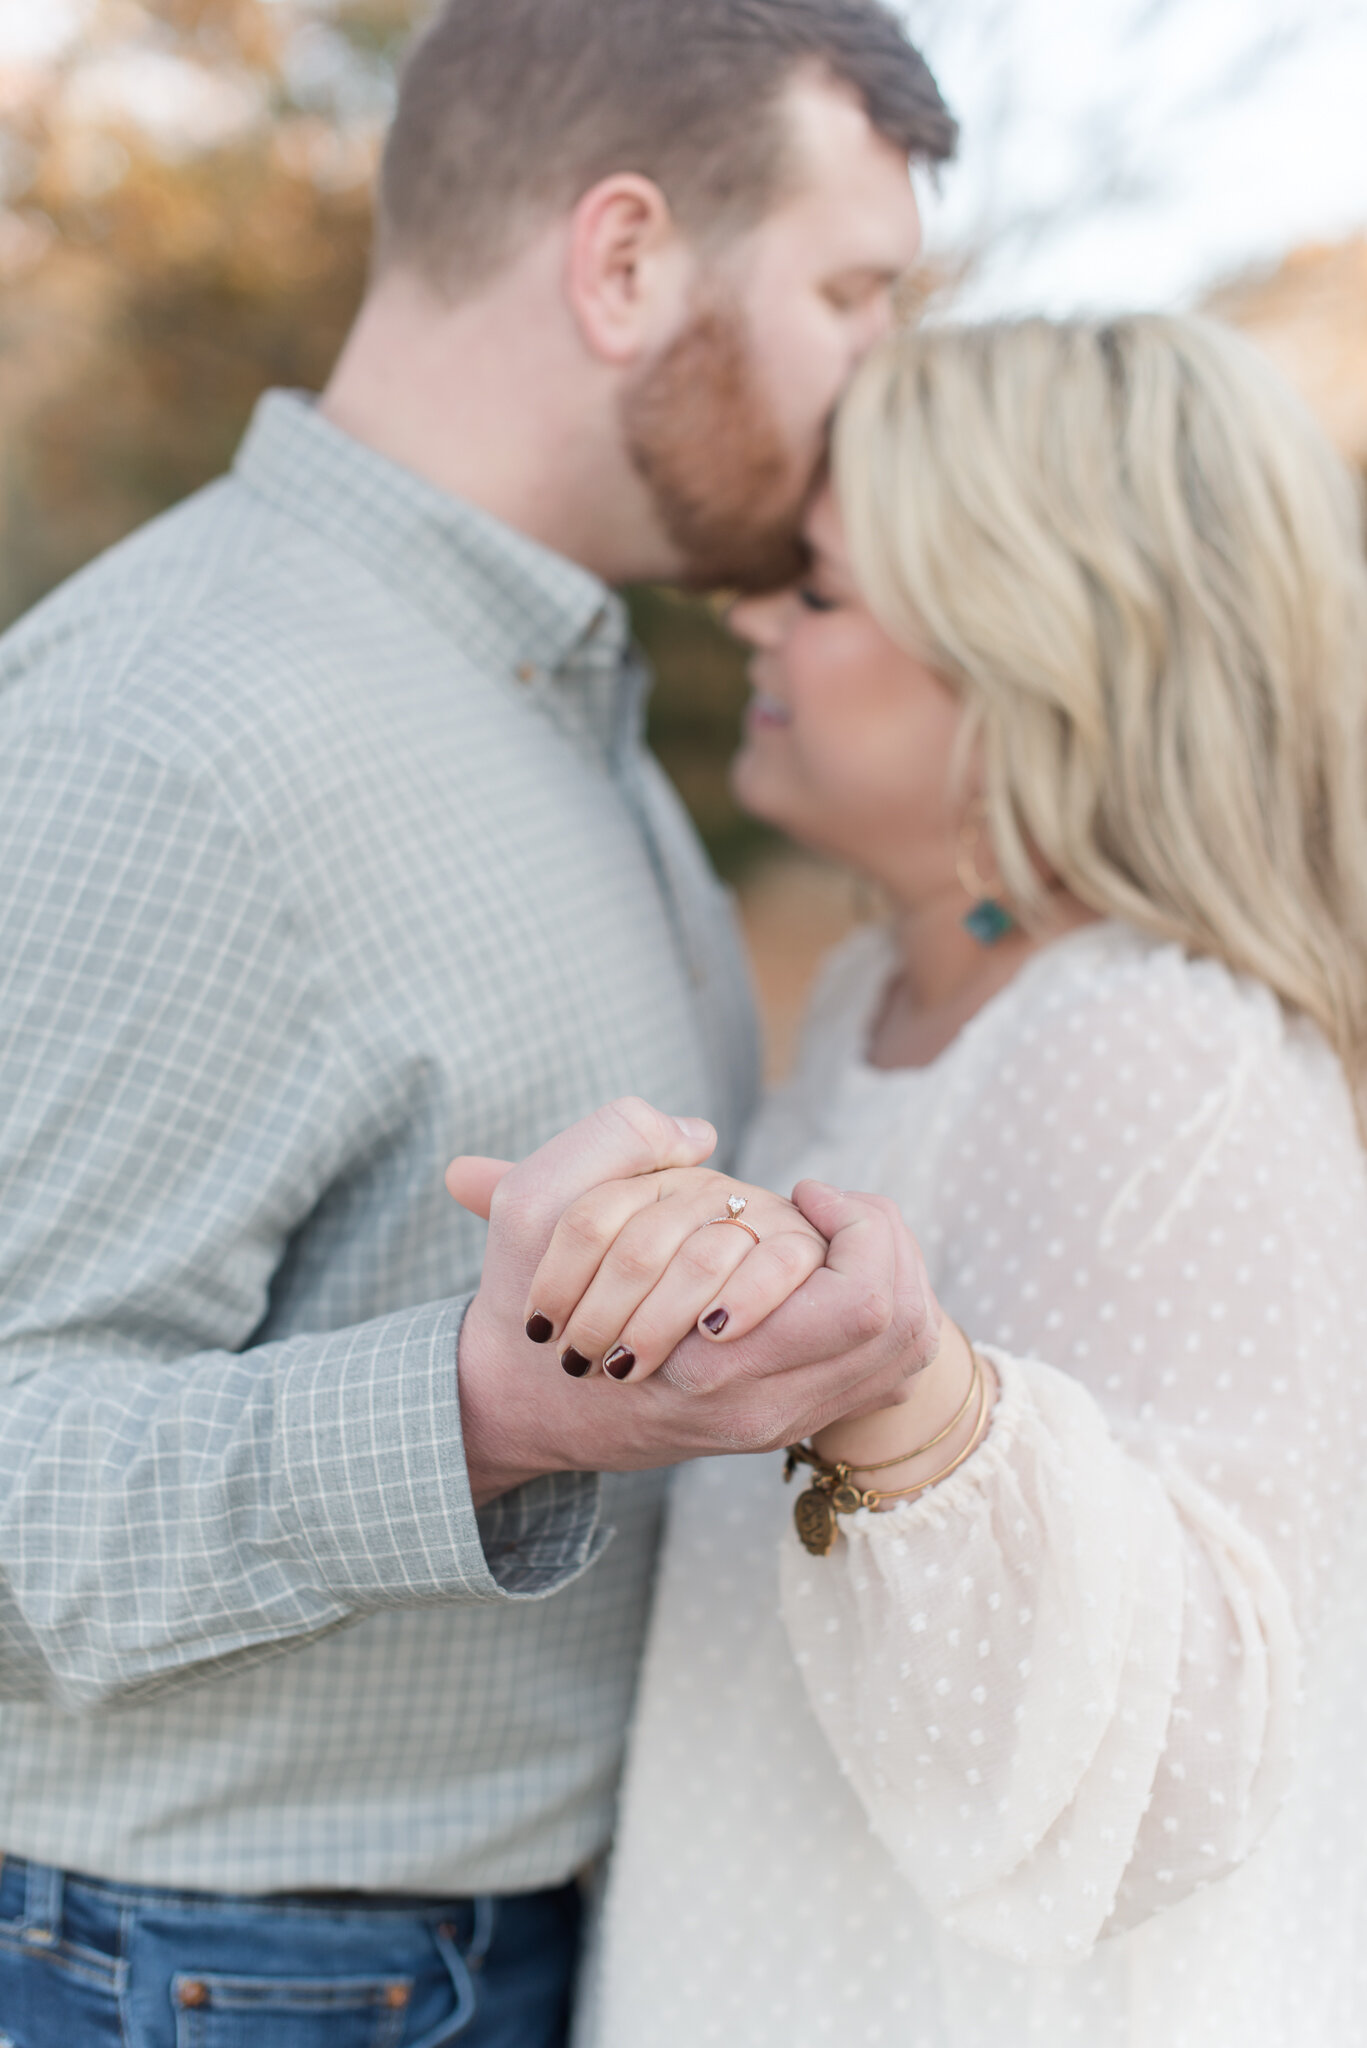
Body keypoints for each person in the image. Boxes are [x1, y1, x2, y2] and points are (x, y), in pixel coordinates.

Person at [0, 4, 955, 2040]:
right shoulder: (168, 730)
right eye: (853, 291)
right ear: (624, 263)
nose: (885, 377)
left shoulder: (551, 699)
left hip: (503, 1940)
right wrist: (491, 1408)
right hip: (215, 1973)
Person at [467, 314, 1367, 2045]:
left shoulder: (1154, 1050)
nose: (751, 621)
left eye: (814, 585)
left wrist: (918, 1417)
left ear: (1034, 644)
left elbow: (1201, 1751)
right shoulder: (898, 998)